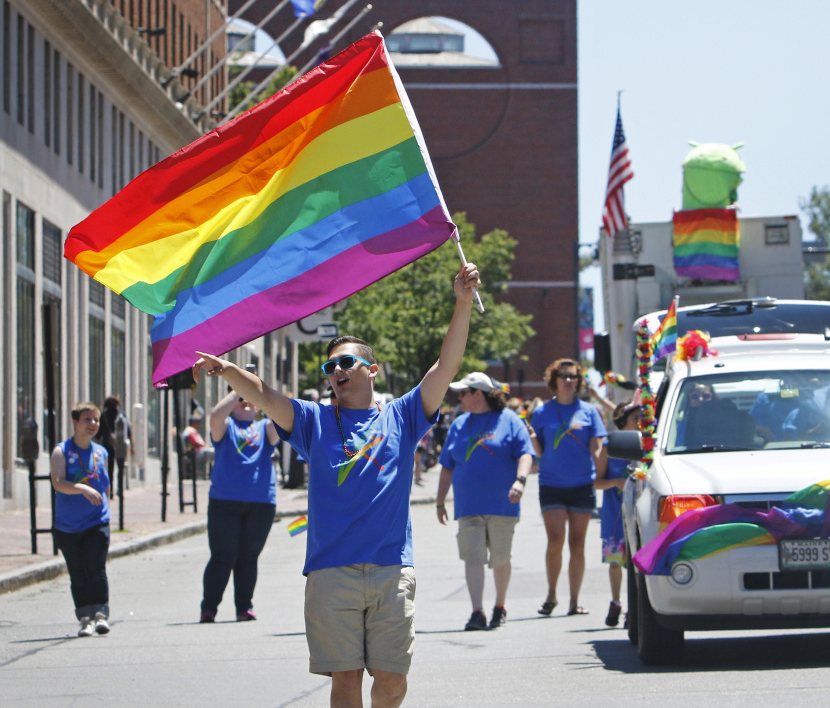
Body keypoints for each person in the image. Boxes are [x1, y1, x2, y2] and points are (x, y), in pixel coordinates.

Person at [192, 263, 480, 708]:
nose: (337, 370)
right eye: (331, 365)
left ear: (372, 369)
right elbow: (267, 396)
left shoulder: (402, 416)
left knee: (391, 682)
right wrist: (229, 369)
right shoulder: (313, 420)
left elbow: (447, 366)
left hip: (390, 569)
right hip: (331, 572)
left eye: (346, 362)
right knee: (344, 682)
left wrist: (462, 304)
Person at [434, 372, 535, 631]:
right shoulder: (459, 424)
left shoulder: (510, 421)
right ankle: (477, 611)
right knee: (473, 558)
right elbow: (447, 465)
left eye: (464, 392)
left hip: (503, 504)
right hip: (468, 505)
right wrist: (439, 501)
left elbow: (526, 454)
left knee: (500, 558)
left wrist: (520, 481)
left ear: (478, 394)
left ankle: (500, 606)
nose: (460, 397)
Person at [529, 358, 607, 616]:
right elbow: (538, 450)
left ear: (578, 380)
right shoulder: (541, 413)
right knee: (555, 540)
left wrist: (604, 467)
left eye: (572, 376)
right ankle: (551, 595)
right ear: (554, 380)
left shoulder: (589, 411)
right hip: (551, 483)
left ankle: (574, 601)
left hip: (582, 483)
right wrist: (530, 443)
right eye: (563, 376)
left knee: (577, 543)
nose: (568, 380)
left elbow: (597, 446)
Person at [198, 389, 280, 624]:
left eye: (250, 400)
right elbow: (214, 416)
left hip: (261, 502)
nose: (246, 403)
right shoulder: (226, 427)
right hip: (224, 501)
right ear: (232, 404)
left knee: (249, 556)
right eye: (241, 401)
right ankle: (209, 608)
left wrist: (261, 392)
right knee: (223, 556)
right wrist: (239, 389)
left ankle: (244, 607)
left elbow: (281, 422)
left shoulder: (265, 427)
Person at [50, 401, 112, 637]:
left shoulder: (100, 452)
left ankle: (100, 615)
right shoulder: (61, 451)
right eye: (87, 419)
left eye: (96, 420)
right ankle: (85, 618)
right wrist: (83, 490)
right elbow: (58, 482)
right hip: (68, 525)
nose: (93, 424)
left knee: (96, 568)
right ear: (75, 422)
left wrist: (106, 509)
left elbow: (105, 485)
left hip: (97, 521)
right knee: (78, 573)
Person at [594, 401, 640, 628]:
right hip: (615, 515)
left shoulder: (648, 443)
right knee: (615, 561)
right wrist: (615, 482)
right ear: (622, 421)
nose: (641, 423)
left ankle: (635, 608)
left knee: (637, 562)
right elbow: (596, 482)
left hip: (640, 514)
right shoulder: (609, 446)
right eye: (635, 418)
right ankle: (615, 602)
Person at [95, 396, 130, 498]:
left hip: (107, 444)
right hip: (120, 445)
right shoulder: (121, 415)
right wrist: (131, 445)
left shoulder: (104, 415)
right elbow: (128, 431)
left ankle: (110, 491)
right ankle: (121, 490)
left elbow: (99, 433)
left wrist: (95, 447)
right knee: (121, 468)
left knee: (109, 469)